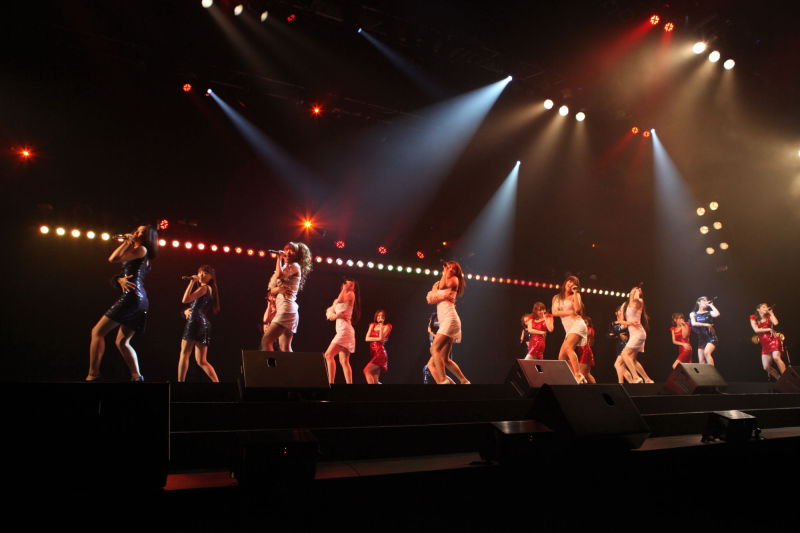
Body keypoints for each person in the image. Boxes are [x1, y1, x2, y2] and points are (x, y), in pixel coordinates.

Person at [86, 225, 157, 381]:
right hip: (140, 299)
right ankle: (136, 376)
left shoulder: (141, 249)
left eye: (141, 232)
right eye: (137, 230)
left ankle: (93, 374)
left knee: (97, 332)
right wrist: (119, 279)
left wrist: (126, 242)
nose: (136, 232)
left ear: (146, 237)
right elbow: (130, 273)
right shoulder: (141, 254)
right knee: (122, 342)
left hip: (132, 297)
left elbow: (113, 259)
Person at [260, 242, 312, 352]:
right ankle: (292, 365)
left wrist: (278, 258)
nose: (288, 252)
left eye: (292, 250)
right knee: (285, 347)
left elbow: (278, 276)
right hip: (287, 309)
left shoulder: (295, 266)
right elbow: (271, 290)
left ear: (296, 255)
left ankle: (271, 364)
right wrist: (278, 289)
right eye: (286, 249)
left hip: (286, 309)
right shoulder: (285, 267)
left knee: (266, 341)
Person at [426, 261, 470, 384]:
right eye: (448, 267)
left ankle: (442, 380)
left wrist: (445, 274)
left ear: (457, 272)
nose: (450, 269)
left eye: (453, 269)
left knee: (434, 349)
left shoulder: (455, 280)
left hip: (450, 320)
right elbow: (429, 299)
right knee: (444, 359)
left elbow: (440, 289)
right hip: (445, 320)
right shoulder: (439, 282)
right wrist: (441, 295)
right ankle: (464, 381)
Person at [177, 265, 221, 382]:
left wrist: (191, 282)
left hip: (195, 321)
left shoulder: (204, 288)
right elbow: (196, 307)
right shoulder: (208, 289)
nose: (201, 275)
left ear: (211, 277)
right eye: (200, 272)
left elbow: (185, 300)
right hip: (203, 323)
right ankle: (217, 383)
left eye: (205, 273)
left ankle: (179, 384)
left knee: (185, 354)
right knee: (201, 361)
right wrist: (186, 311)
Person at [551, 276, 588, 383]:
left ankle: (577, 374)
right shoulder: (556, 297)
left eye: (574, 283)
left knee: (568, 348)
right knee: (562, 357)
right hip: (569, 329)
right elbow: (554, 312)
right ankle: (578, 375)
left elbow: (577, 309)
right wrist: (570, 312)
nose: (571, 284)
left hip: (578, 325)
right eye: (569, 281)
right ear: (565, 282)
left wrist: (575, 293)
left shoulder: (576, 295)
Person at [324, 278, 360, 384]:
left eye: (351, 285)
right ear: (343, 285)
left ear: (354, 288)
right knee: (344, 361)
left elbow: (340, 300)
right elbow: (328, 313)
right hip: (344, 331)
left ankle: (331, 383)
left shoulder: (351, 295)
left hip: (345, 331)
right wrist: (336, 315)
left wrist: (344, 289)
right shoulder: (337, 300)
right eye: (347, 284)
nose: (349, 287)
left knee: (328, 355)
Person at [619, 286, 654, 383]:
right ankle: (647, 379)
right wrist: (630, 323)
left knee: (625, 354)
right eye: (634, 290)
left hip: (639, 333)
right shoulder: (624, 305)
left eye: (638, 291)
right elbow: (621, 321)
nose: (635, 291)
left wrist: (638, 293)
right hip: (633, 334)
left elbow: (636, 299)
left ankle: (635, 377)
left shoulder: (639, 301)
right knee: (633, 360)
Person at [750, 303, 786, 380]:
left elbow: (776, 323)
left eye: (766, 307)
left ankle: (786, 378)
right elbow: (756, 330)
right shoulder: (753, 317)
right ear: (758, 309)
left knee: (776, 357)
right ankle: (780, 379)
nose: (766, 308)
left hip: (773, 340)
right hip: (765, 344)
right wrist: (769, 329)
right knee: (766, 367)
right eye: (763, 307)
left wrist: (771, 313)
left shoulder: (769, 316)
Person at [423, 312, 455, 384]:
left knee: (428, 369)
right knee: (430, 370)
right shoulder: (433, 327)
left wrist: (431, 331)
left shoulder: (439, 328)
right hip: (438, 352)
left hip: (441, 351)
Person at [363, 309, 392, 384]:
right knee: (375, 379)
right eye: (378, 315)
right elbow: (366, 338)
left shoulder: (387, 326)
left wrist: (381, 327)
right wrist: (378, 339)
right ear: (376, 317)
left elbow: (381, 338)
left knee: (366, 370)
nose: (380, 317)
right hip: (374, 353)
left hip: (380, 353)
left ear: (384, 318)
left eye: (382, 316)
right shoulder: (372, 325)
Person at [690, 296, 720, 365]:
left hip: (711, 337)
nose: (706, 302)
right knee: (701, 361)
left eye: (707, 300)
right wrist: (706, 324)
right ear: (698, 302)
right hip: (702, 338)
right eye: (704, 300)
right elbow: (693, 323)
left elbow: (717, 314)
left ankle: (712, 371)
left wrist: (711, 305)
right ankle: (705, 372)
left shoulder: (709, 312)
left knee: (707, 352)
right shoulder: (693, 314)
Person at [611, 304, 632, 383]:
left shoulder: (625, 321)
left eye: (622, 311)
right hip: (618, 345)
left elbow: (625, 328)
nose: (621, 312)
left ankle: (621, 383)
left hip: (625, 344)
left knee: (617, 364)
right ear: (616, 313)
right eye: (619, 311)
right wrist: (618, 335)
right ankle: (632, 382)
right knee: (622, 366)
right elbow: (610, 334)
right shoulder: (613, 323)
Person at [578, 317, 596, 383]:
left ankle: (578, 388)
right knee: (587, 374)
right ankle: (597, 388)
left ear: (588, 323)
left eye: (585, 322)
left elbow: (585, 335)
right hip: (581, 352)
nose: (584, 323)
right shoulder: (581, 330)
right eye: (583, 322)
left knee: (580, 373)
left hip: (586, 352)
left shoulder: (590, 329)